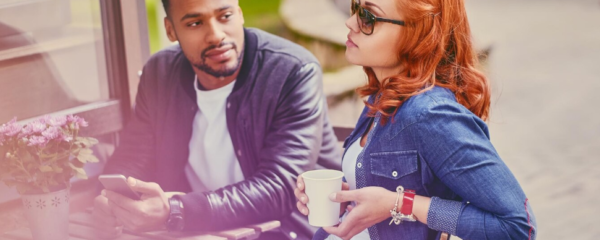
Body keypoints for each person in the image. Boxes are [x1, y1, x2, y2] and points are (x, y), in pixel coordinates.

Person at [92, 0, 340, 239]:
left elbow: (281, 187)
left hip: (287, 231)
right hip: (200, 230)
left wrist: (176, 210)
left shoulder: (291, 71)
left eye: (225, 16)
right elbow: (133, 157)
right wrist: (111, 203)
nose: (216, 35)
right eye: (194, 23)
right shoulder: (160, 73)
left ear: (240, 14)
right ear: (170, 30)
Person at [294, 0, 537, 239]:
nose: (350, 22)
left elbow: (516, 227)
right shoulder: (385, 96)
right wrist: (343, 198)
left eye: (368, 17)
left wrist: (401, 204)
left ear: (416, 36)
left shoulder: (429, 114)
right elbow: (378, 197)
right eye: (355, 8)